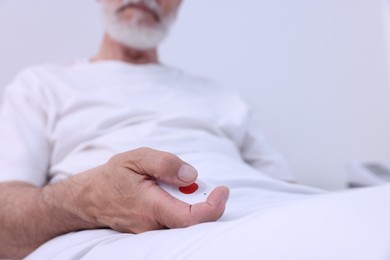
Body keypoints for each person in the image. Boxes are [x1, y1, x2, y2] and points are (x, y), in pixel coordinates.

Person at [1, 1, 389, 259]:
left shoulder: (220, 95)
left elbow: (284, 189)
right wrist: (87, 200)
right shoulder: (42, 85)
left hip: (270, 215)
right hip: (129, 238)